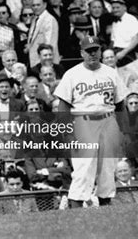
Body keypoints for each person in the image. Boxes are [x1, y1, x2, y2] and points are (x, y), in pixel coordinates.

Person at [54, 36, 128, 208]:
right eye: (88, 51)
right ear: (82, 53)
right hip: (83, 122)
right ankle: (76, 209)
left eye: (95, 49)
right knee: (83, 169)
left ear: (101, 51)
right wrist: (66, 133)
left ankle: (105, 207)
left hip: (108, 121)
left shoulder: (111, 73)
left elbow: (120, 104)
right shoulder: (72, 74)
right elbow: (63, 107)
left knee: (108, 169)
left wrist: (123, 129)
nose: (92, 53)